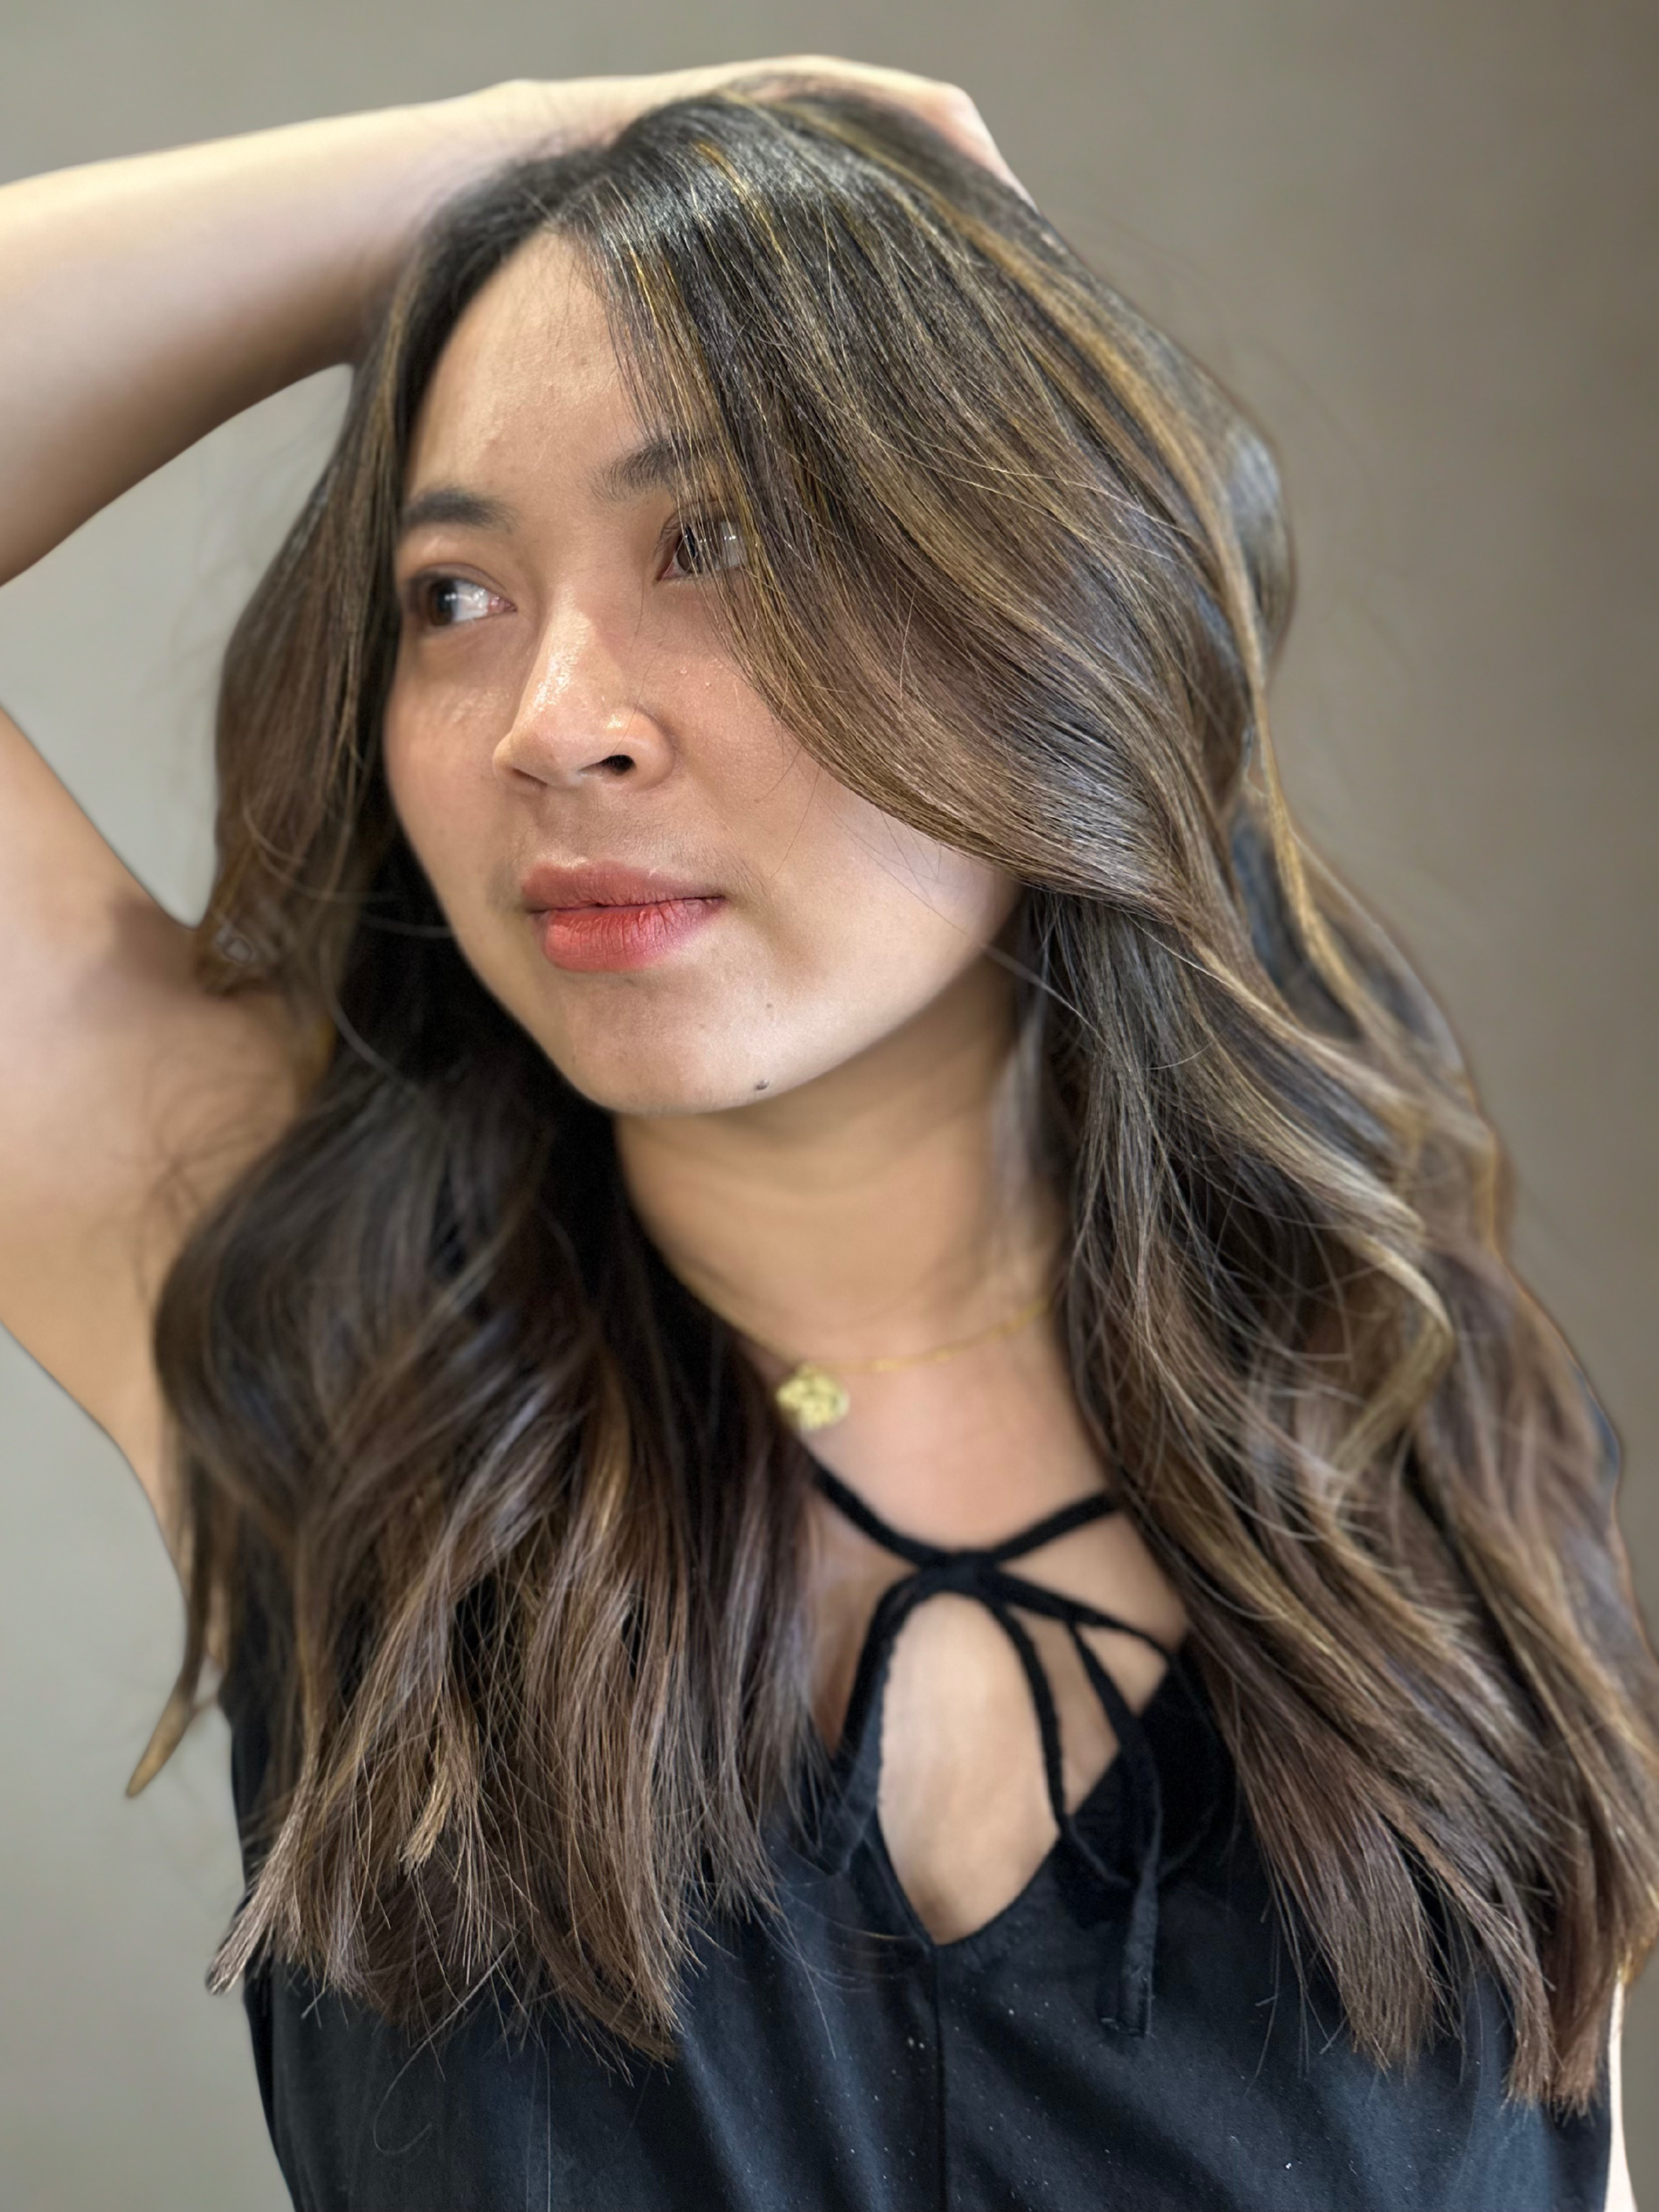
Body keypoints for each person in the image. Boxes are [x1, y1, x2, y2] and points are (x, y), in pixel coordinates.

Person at [0, 57, 1652, 2212]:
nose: (557, 718)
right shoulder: (289, 1296)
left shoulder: (1426, 1417)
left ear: (1044, 618)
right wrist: (550, 142)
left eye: (722, 544)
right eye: (454, 595)